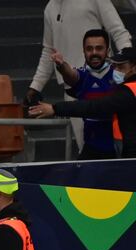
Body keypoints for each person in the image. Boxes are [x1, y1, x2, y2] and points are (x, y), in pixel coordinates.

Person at [24, 0, 131, 147]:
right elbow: (49, 50)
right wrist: (36, 86)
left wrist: (128, 68)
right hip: (73, 87)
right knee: (85, 144)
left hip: (106, 83)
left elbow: (119, 32)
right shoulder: (50, 7)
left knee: (117, 145)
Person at [30, 47, 136, 158]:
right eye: (115, 66)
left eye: (121, 67)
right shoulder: (126, 88)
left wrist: (55, 109)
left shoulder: (130, 90)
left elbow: (95, 107)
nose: (116, 70)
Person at [51, 29, 117, 159]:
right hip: (92, 147)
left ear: (107, 51)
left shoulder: (118, 75)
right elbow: (71, 75)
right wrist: (61, 65)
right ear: (84, 51)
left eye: (99, 48)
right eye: (89, 49)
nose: (94, 53)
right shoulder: (83, 75)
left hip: (120, 148)